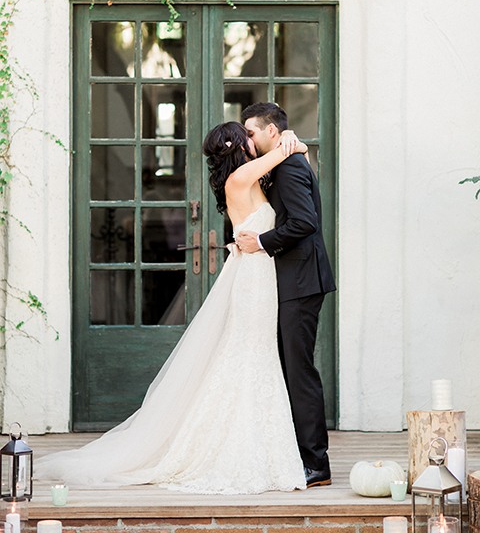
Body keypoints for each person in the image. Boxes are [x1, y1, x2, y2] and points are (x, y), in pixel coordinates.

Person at [34, 121, 308, 494]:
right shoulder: (242, 177)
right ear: (239, 146)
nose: (252, 138)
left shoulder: (247, 179)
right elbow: (287, 151)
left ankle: (254, 441)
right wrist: (292, 140)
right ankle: (231, 445)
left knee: (254, 354)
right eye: (246, 135)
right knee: (249, 353)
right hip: (253, 278)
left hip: (258, 273)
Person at [237, 102, 336, 488]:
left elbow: (304, 222)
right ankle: (298, 454)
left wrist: (261, 241)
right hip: (291, 281)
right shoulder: (281, 161)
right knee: (289, 370)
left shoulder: (291, 165)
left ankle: (317, 465)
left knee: (299, 372)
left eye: (251, 131)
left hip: (302, 282)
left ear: (273, 132)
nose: (248, 138)